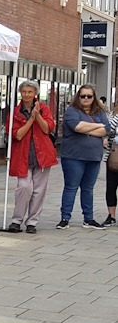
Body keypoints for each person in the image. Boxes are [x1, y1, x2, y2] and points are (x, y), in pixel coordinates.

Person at [6, 80, 57, 234]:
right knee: (24, 187)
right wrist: (31, 119)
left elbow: (47, 129)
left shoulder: (44, 108)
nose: (27, 95)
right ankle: (16, 220)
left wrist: (38, 116)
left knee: (39, 190)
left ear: (35, 93)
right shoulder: (15, 112)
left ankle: (32, 222)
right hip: (23, 154)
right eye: (24, 92)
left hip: (42, 154)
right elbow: (18, 135)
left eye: (30, 92)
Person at [57, 84, 109, 230]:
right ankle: (65, 218)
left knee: (88, 188)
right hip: (74, 157)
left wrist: (89, 129)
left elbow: (106, 130)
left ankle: (89, 218)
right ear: (78, 97)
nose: (86, 99)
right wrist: (97, 126)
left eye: (89, 96)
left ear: (94, 98)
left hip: (94, 157)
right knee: (71, 187)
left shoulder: (99, 112)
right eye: (83, 96)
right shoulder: (71, 111)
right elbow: (77, 127)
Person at [102, 107, 118, 226]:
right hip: (114, 155)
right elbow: (107, 129)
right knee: (111, 186)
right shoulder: (113, 114)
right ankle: (111, 215)